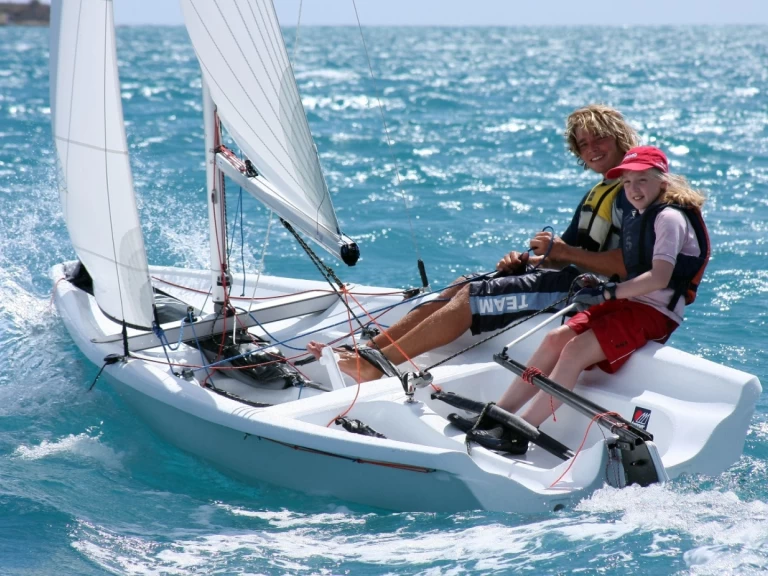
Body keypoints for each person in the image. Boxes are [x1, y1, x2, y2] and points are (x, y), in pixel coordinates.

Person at [307, 104, 639, 382]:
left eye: (600, 138)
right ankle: (372, 350)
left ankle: (375, 367)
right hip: (571, 280)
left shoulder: (633, 192)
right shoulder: (600, 192)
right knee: (462, 284)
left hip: (592, 294)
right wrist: (530, 261)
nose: (591, 148)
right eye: (583, 143)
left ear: (619, 137)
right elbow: (563, 256)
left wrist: (562, 253)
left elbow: (628, 266)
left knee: (473, 298)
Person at [462, 146, 710, 452]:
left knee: (574, 351)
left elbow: (659, 278)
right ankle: (499, 415)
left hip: (654, 313)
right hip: (631, 302)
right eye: (628, 182)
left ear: (663, 182)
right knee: (556, 338)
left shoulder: (669, 218)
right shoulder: (644, 213)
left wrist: (608, 292)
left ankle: (519, 432)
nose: (633, 189)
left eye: (642, 180)